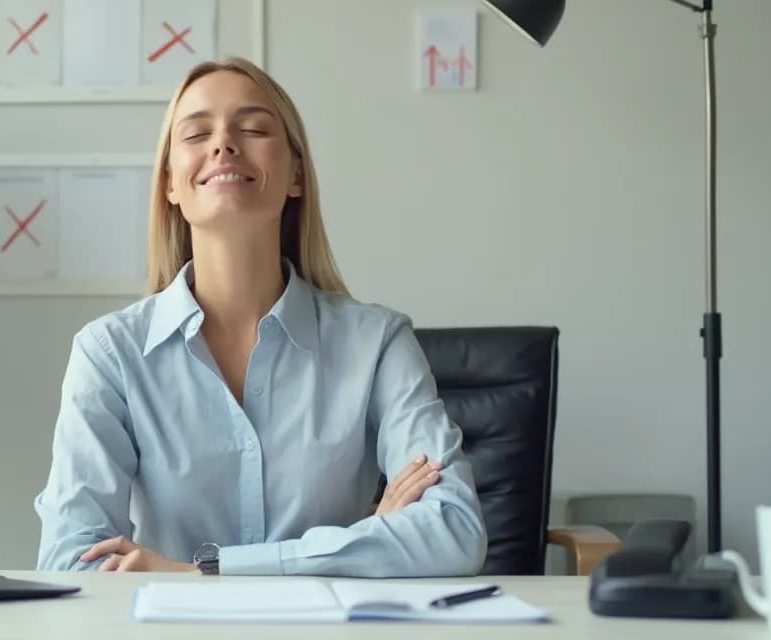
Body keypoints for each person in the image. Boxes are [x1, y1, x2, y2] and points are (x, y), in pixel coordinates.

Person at [32, 57, 487, 578]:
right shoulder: (108, 354)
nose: (223, 144)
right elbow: (71, 562)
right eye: (197, 132)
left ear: (295, 173)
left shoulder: (378, 342)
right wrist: (359, 542)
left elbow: (454, 530)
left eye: (251, 128)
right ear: (170, 185)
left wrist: (204, 572)